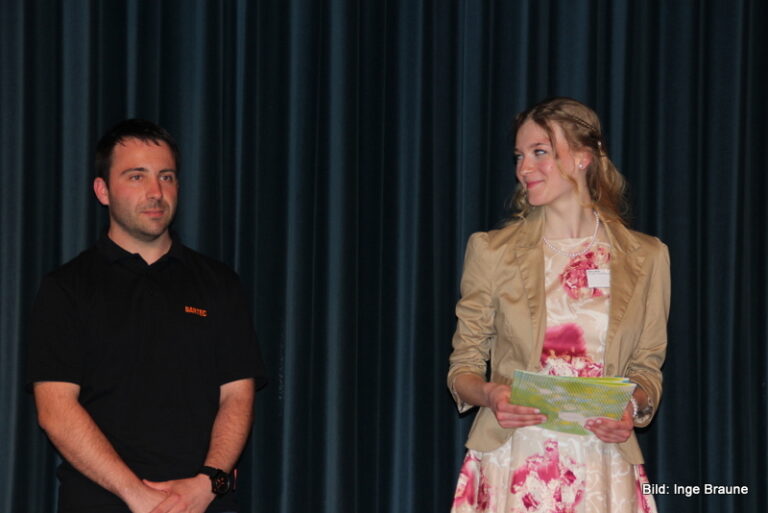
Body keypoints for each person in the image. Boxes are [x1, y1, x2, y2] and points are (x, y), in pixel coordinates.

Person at [28, 119, 267, 513]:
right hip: (101, 503)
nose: (156, 192)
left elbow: (238, 396)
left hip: (203, 503)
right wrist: (138, 496)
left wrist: (208, 483)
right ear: (102, 190)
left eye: (166, 177)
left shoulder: (219, 283)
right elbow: (55, 410)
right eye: (136, 176)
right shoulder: (66, 288)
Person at [447, 97, 670, 512]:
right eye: (519, 156)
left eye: (540, 152)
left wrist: (631, 406)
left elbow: (647, 366)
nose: (523, 168)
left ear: (584, 158)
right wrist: (492, 395)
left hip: (602, 463)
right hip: (515, 459)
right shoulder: (492, 251)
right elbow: (463, 368)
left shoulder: (647, 257)